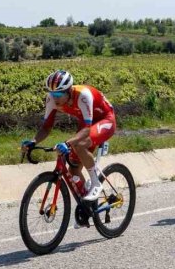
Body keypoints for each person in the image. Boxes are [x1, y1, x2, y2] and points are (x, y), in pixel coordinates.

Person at [21, 70, 116, 202]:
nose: (55, 98)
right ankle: (87, 206)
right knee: (73, 170)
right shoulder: (52, 99)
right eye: (52, 93)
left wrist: (67, 143)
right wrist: (33, 142)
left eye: (59, 94)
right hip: (86, 122)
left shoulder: (83, 95)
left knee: (79, 145)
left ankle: (96, 183)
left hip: (105, 119)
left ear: (69, 91)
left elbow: (87, 131)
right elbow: (46, 127)